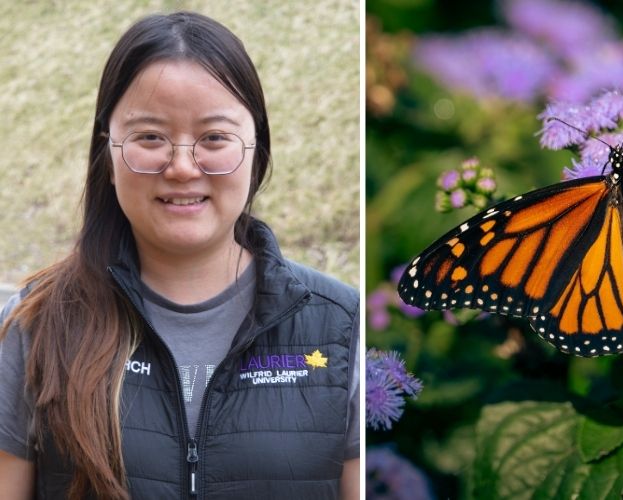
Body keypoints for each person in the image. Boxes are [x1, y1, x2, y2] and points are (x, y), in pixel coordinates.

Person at [0, 11, 359, 500]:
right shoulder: (33, 323)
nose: (183, 167)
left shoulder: (343, 328)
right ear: (107, 154)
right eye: (150, 137)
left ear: (257, 152)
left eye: (214, 138)